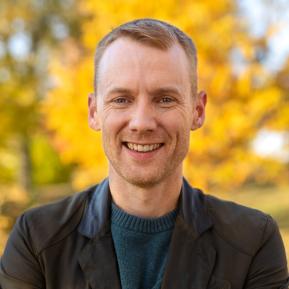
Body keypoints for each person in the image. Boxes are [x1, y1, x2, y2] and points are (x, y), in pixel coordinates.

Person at [0, 18, 288, 289]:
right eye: (121, 99)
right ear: (94, 112)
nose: (141, 123)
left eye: (165, 99)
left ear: (197, 111)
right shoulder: (37, 240)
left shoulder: (252, 241)